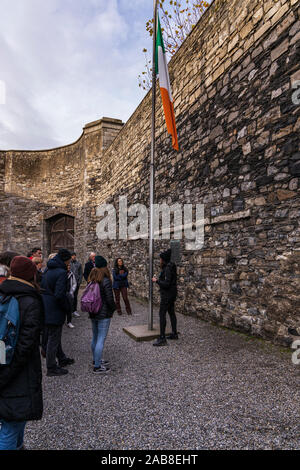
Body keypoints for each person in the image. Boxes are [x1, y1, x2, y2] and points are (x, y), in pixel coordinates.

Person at [0, 256, 44, 450]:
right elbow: (26, 345)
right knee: (11, 423)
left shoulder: (3, 292)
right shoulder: (29, 300)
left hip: (4, 360)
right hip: (19, 370)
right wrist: (8, 373)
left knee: (15, 417)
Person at [41, 249, 74, 376]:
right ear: (66, 260)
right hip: (54, 308)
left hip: (46, 306)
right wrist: (67, 307)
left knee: (54, 335)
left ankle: (61, 358)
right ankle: (51, 367)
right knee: (53, 338)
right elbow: (59, 294)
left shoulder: (48, 269)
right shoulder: (61, 272)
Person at [88, 256, 115, 374]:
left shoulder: (92, 278)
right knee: (100, 339)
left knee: (95, 337)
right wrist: (113, 309)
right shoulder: (105, 280)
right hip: (103, 313)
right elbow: (110, 299)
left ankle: (96, 360)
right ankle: (97, 367)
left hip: (93, 311)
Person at [152, 248, 178, 346]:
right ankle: (174, 333)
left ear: (164, 259)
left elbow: (166, 284)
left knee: (162, 314)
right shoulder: (172, 266)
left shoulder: (167, 268)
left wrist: (156, 281)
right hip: (172, 294)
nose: (160, 261)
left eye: (161, 259)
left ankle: (162, 338)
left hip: (167, 295)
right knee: (171, 312)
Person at [70, 252, 83, 317]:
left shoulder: (78, 264)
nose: (74, 257)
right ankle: (69, 310)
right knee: (70, 297)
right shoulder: (68, 263)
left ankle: (74, 310)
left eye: (75, 255)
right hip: (70, 283)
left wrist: (79, 282)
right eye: (73, 255)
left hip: (76, 283)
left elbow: (81, 273)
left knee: (75, 297)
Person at [66, 264, 77, 329]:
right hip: (63, 293)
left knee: (69, 308)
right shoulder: (62, 273)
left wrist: (72, 291)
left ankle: (69, 321)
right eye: (68, 266)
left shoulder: (71, 274)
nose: (69, 267)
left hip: (69, 293)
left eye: (69, 267)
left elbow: (74, 283)